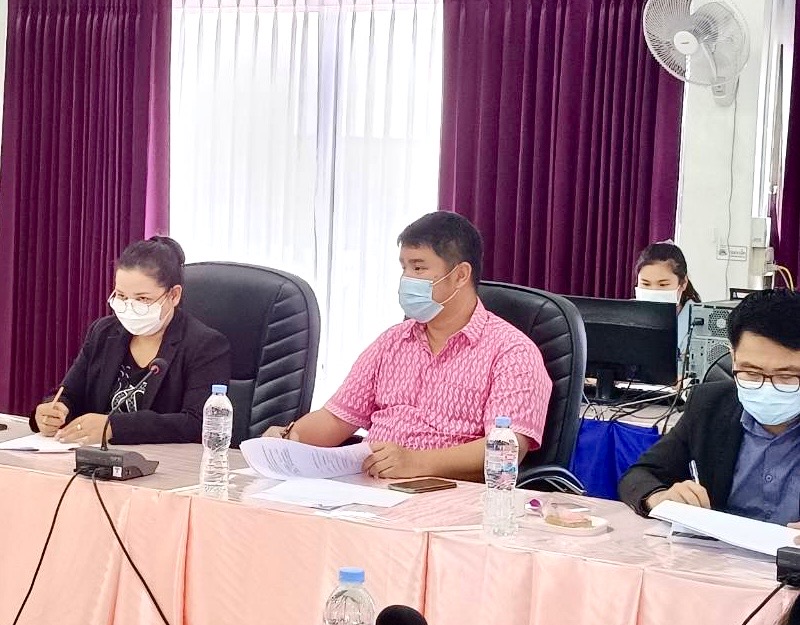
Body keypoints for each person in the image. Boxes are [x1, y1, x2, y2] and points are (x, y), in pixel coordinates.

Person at [263, 211, 552, 481]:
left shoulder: (512, 352)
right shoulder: (392, 342)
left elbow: (507, 447)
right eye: (404, 268)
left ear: (460, 275)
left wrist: (416, 462)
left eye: (419, 267)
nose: (407, 279)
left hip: (448, 493)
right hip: (371, 489)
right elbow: (337, 419)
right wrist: (289, 439)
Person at [619, 289, 800, 528]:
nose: (767, 388)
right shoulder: (710, 405)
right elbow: (639, 476)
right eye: (751, 372)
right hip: (716, 550)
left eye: (787, 376)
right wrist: (661, 498)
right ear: (733, 357)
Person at [30, 237, 231, 445]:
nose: (129, 307)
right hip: (95, 455)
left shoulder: (206, 345)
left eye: (142, 299)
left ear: (174, 295)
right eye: (121, 296)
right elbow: (70, 393)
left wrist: (114, 427)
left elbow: (196, 423)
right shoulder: (104, 332)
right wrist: (53, 411)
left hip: (165, 460)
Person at [634, 241, 701, 358]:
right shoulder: (627, 316)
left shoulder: (699, 324)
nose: (653, 291)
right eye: (645, 284)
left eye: (663, 285)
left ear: (683, 283)